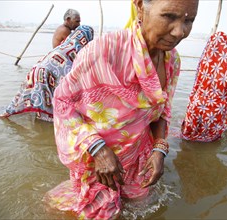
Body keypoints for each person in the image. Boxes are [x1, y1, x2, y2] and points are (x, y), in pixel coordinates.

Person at [44, 0, 199, 219]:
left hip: (138, 156)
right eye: (169, 17)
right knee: (100, 212)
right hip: (99, 161)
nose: (179, 32)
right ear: (140, 6)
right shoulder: (104, 51)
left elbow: (163, 111)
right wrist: (97, 149)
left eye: (189, 20)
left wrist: (159, 150)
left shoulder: (171, 59)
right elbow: (63, 101)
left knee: (140, 205)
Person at [0, 25, 94, 122]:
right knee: (52, 110)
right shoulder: (80, 50)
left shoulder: (65, 45)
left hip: (36, 70)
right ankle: (44, 128)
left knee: (38, 98)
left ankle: (21, 116)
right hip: (46, 74)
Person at [180, 31, 227, 142]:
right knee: (209, 141)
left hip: (197, 105)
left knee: (187, 138)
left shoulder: (204, 61)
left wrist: (192, 103)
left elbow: (196, 85)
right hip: (215, 109)